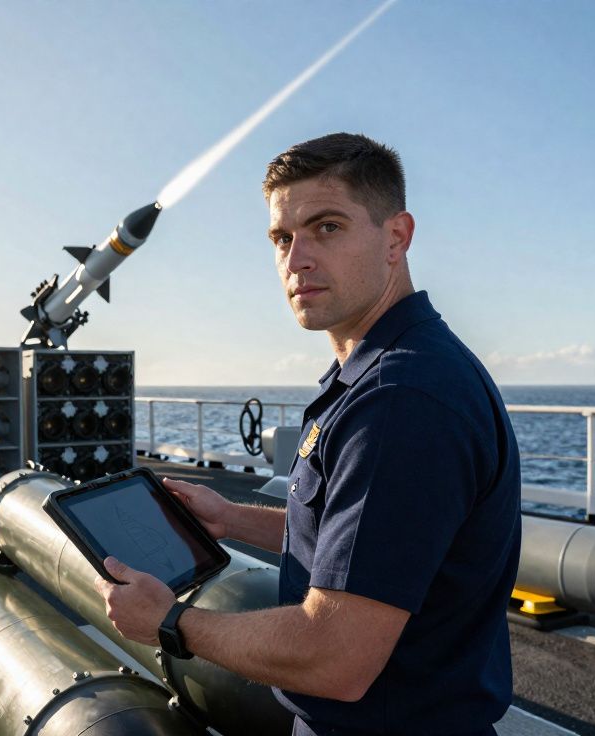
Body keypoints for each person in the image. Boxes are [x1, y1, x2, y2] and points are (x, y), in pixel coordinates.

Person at [94, 132, 522, 735]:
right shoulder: (389, 369)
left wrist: (169, 622)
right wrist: (230, 518)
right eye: (281, 238)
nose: (296, 260)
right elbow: (364, 540)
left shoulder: (400, 401)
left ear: (396, 237)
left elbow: (336, 656)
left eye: (327, 227)